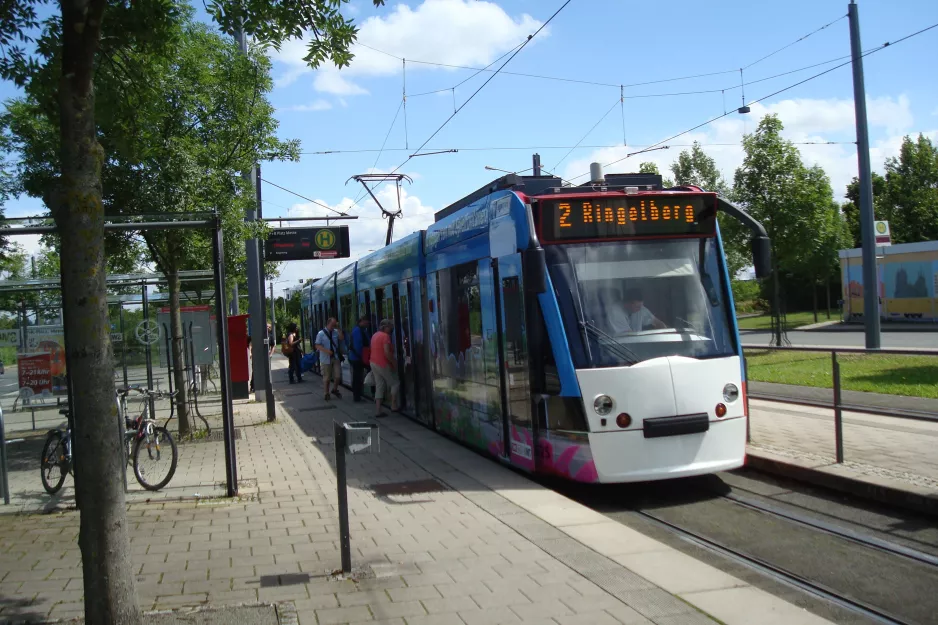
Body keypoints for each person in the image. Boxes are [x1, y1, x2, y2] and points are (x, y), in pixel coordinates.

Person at [369, 319, 399, 418]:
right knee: (395, 383)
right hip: (382, 363)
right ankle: (393, 405)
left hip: (373, 362)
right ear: (385, 327)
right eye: (390, 327)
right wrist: (394, 362)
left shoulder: (375, 335)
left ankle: (378, 410)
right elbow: (386, 352)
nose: (391, 329)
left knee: (379, 385)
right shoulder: (385, 336)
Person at [315, 317, 344, 400]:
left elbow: (341, 338)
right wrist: (327, 351)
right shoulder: (321, 333)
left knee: (338, 376)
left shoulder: (335, 332)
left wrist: (338, 328)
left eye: (335, 325)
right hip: (325, 358)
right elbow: (317, 345)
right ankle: (326, 393)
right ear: (328, 324)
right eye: (332, 325)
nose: (333, 326)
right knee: (327, 378)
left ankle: (334, 389)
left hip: (335, 357)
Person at [348, 315, 372, 403]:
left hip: (357, 357)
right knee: (358, 377)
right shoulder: (358, 330)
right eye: (366, 322)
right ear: (362, 321)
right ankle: (357, 396)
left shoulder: (360, 330)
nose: (367, 324)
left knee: (358, 377)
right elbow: (358, 346)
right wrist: (363, 358)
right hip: (357, 358)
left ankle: (358, 395)